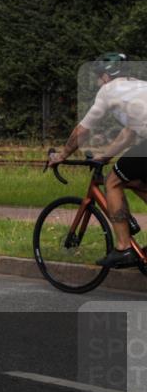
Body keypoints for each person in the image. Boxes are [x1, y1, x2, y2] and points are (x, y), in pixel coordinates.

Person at [50, 52, 147, 268]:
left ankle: (123, 248)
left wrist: (62, 155)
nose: (97, 81)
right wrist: (105, 156)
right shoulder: (139, 87)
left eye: (98, 77)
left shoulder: (108, 91)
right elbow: (129, 134)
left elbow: (82, 131)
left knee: (113, 181)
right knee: (132, 179)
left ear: (105, 76)